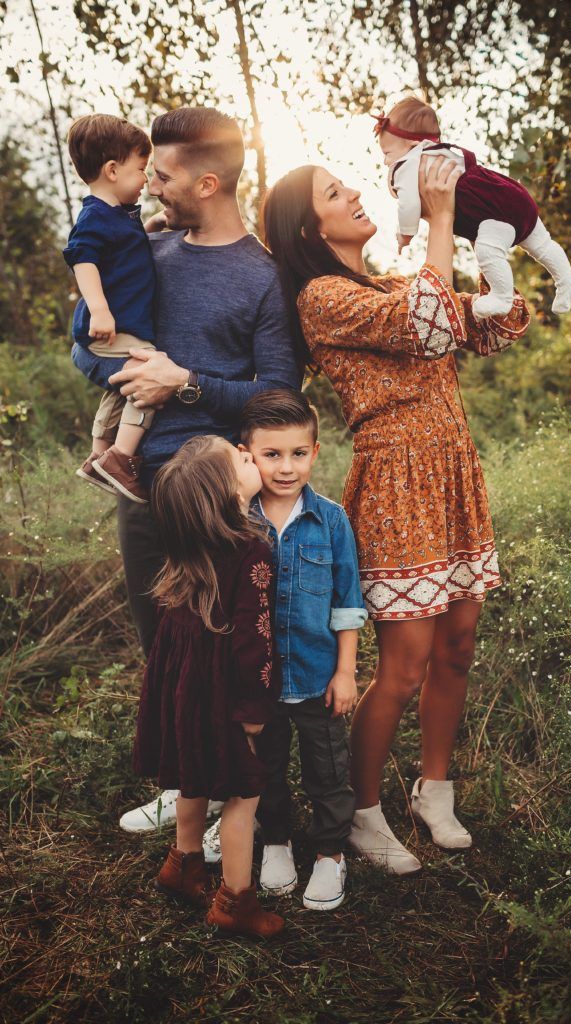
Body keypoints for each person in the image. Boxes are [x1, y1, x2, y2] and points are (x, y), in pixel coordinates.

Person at [261, 157, 530, 875]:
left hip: (451, 475)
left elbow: (491, 327)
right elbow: (429, 321)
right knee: (403, 665)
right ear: (307, 227)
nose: (353, 193)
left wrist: (486, 232)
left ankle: (432, 790)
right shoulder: (320, 298)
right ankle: (361, 812)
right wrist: (438, 220)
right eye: (333, 193)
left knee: (458, 646)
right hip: (397, 484)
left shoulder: (388, 283)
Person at [71, 107, 302, 831]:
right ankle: (184, 791)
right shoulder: (145, 248)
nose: (151, 188)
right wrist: (116, 365)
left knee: (233, 657)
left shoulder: (263, 278)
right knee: (161, 647)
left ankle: (253, 808)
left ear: (205, 181)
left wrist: (187, 383)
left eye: (162, 175)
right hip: (138, 482)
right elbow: (85, 346)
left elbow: (281, 396)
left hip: (215, 493)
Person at [201, 389, 367, 911]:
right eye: (272, 455)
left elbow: (347, 602)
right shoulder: (233, 520)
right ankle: (276, 840)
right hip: (258, 682)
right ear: (247, 454)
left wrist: (346, 671)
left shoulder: (332, 520)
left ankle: (329, 853)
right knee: (264, 767)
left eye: (298, 453)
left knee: (328, 769)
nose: (287, 467)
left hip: (318, 675)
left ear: (316, 452)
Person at [132, 434, 285, 938]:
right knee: (244, 796)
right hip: (227, 694)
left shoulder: (186, 554)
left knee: (191, 777)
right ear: (227, 493)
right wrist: (255, 707)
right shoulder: (252, 551)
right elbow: (255, 642)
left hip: (184, 693)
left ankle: (183, 863)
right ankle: (235, 903)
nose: (249, 454)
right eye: (240, 458)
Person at [375, 95, 571, 317]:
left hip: (491, 212)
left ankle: (502, 297)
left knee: (487, 251)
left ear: (413, 144)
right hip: (511, 194)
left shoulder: (408, 163)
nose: (386, 161)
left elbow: (409, 204)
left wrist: (405, 234)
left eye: (387, 153)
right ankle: (567, 279)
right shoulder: (444, 152)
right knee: (543, 244)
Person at [64, 114, 157, 503]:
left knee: (121, 388)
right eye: (141, 170)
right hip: (108, 328)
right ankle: (121, 458)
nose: (146, 181)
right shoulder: (94, 216)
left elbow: (124, 250)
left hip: (117, 327)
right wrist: (100, 310)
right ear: (113, 170)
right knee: (148, 374)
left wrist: (153, 226)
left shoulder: (117, 216)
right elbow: (82, 258)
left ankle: (99, 452)